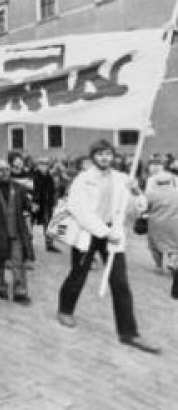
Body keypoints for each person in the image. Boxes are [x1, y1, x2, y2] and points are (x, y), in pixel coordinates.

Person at [56, 139, 159, 354]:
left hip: (113, 234)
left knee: (120, 282)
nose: (105, 158)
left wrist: (136, 192)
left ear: (113, 156)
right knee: (78, 274)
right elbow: (80, 210)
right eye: (100, 154)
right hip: (89, 232)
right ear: (93, 156)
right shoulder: (83, 180)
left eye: (109, 154)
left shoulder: (122, 179)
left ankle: (128, 332)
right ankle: (65, 309)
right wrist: (104, 231)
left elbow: (137, 209)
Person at [0, 160, 33, 305]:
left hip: (16, 229)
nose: (4, 173)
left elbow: (27, 203)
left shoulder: (18, 187)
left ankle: (20, 292)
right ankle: (0, 286)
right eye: (0, 170)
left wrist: (31, 206)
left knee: (18, 261)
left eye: (7, 170)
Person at [143, 161, 178, 296]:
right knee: (174, 246)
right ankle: (173, 262)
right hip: (174, 222)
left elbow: (144, 206)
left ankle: (159, 265)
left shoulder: (151, 192)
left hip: (156, 223)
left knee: (155, 246)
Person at [33, 157, 60, 253]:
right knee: (29, 224)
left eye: (45, 165)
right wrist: (34, 202)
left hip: (47, 204)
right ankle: (27, 245)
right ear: (38, 166)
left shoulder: (49, 177)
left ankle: (49, 244)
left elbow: (52, 190)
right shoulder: (34, 176)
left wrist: (53, 201)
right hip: (35, 203)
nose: (44, 167)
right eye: (41, 164)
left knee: (48, 223)